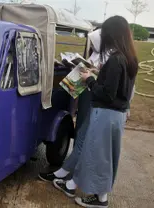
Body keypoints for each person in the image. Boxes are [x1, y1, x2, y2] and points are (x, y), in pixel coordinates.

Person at [52, 16, 138, 208]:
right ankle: (82, 189)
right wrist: (98, 75)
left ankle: (99, 198)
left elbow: (107, 94)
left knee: (97, 156)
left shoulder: (116, 60)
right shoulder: (130, 58)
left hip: (106, 114)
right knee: (104, 156)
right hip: (117, 115)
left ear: (112, 34)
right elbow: (120, 90)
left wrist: (89, 79)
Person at [38, 28, 108, 182]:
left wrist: (90, 75)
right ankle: (73, 169)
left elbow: (104, 83)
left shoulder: (110, 57)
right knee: (81, 132)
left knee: (84, 135)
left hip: (93, 99)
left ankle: (69, 174)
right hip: (85, 96)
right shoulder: (97, 54)